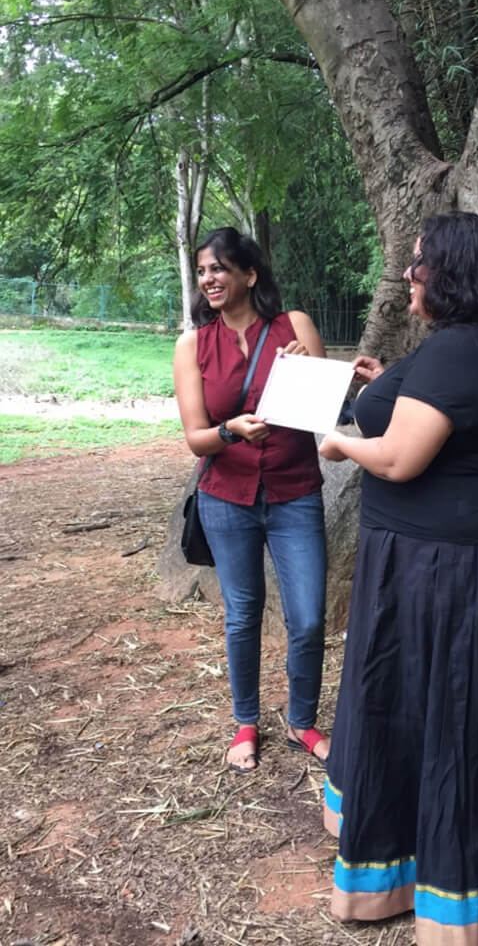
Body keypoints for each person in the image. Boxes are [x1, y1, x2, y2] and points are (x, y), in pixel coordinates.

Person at [318, 211, 478, 946]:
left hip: (440, 568)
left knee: (440, 705)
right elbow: (442, 415)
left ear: (454, 275)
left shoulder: (456, 355)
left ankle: (441, 885)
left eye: (421, 264)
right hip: (472, 556)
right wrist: (382, 380)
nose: (407, 275)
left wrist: (339, 442)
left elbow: (398, 459)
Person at [174, 227, 330, 773]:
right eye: (202, 271)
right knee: (242, 614)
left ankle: (302, 722)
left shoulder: (297, 327)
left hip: (294, 492)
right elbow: (196, 437)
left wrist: (303, 368)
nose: (209, 279)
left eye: (218, 268)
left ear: (249, 274)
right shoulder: (193, 344)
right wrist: (232, 431)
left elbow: (321, 419)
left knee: (308, 617)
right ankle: (246, 722)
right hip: (226, 498)